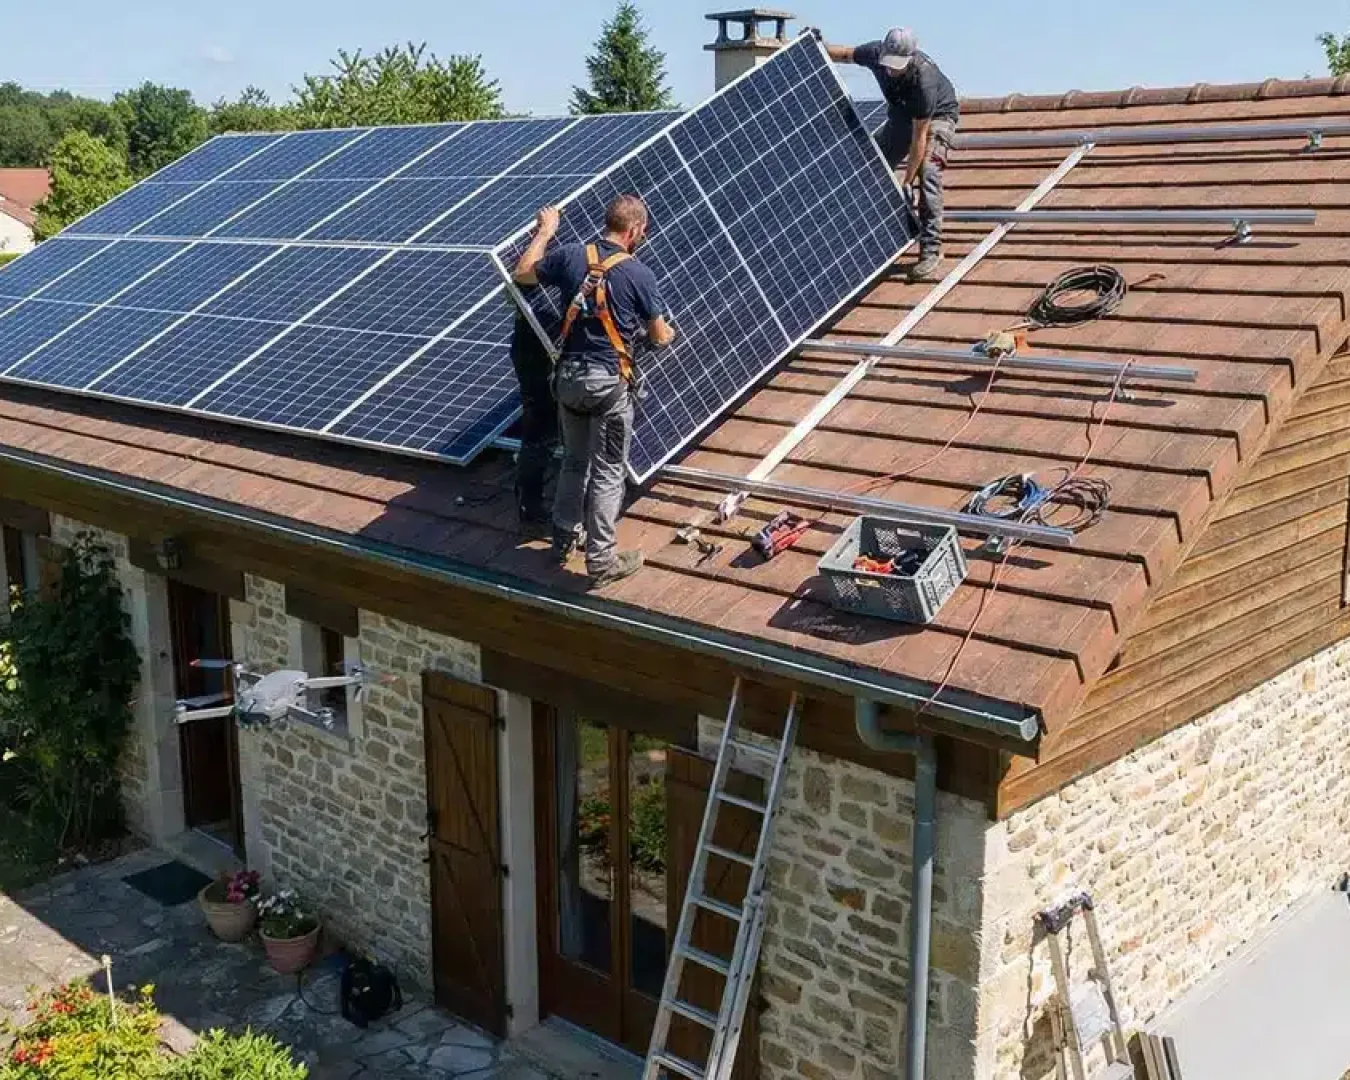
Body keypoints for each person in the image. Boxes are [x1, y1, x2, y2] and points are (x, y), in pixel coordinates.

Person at [512, 195, 676, 588]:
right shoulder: (639, 274)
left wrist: (545, 232)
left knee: (573, 461)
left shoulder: (569, 255)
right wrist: (666, 333)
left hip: (567, 380)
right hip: (607, 386)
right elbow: (658, 335)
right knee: (608, 473)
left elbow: (522, 273)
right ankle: (601, 561)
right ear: (634, 231)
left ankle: (563, 540)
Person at [823, 27, 959, 281]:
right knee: (872, 164)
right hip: (901, 114)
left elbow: (919, 139)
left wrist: (907, 182)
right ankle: (879, 232)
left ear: (910, 58)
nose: (891, 69)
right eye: (888, 63)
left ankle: (930, 249)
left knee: (927, 172)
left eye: (898, 65)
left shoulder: (924, 80)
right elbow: (842, 54)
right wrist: (816, 44)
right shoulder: (874, 53)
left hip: (935, 118)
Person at [508, 300, 558, 537]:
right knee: (543, 430)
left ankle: (529, 504)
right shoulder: (541, 266)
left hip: (530, 343)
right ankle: (531, 506)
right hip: (542, 349)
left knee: (537, 427)